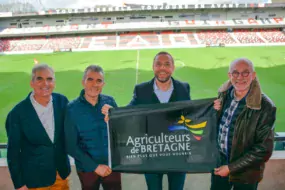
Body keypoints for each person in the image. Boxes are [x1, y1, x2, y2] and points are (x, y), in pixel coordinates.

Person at [103, 51, 191, 190]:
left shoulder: (183, 88)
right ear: (153, 67)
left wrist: (212, 108)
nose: (162, 68)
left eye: (167, 64)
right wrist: (113, 112)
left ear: (173, 67)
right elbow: (130, 111)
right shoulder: (141, 90)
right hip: (151, 155)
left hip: (177, 154)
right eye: (158, 64)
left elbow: (192, 112)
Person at [212, 58, 276, 190]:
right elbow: (217, 129)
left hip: (246, 174)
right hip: (220, 165)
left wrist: (230, 168)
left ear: (253, 75)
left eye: (245, 73)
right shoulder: (223, 96)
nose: (240, 77)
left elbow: (263, 150)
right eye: (235, 73)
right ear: (230, 75)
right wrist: (212, 113)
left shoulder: (265, 106)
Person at [5, 63, 71, 190]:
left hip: (61, 175)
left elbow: (75, 124)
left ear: (54, 83)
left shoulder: (62, 101)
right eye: (39, 79)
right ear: (32, 83)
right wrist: (19, 184)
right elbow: (13, 153)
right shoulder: (17, 114)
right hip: (34, 180)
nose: (45, 84)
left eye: (49, 79)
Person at [64, 65, 121, 190]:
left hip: (112, 167)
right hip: (87, 170)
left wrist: (115, 117)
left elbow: (121, 132)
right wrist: (95, 167)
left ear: (103, 84)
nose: (94, 84)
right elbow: (70, 146)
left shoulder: (110, 102)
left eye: (99, 81)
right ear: (83, 82)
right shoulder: (71, 109)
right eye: (90, 79)